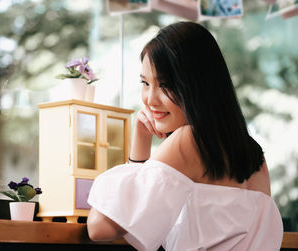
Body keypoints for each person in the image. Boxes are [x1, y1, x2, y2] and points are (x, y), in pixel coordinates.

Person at [86, 22, 283, 251]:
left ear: (195, 85)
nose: (150, 99)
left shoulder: (188, 141)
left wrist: (139, 146)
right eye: (145, 83)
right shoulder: (254, 156)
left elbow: (99, 227)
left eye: (165, 85)